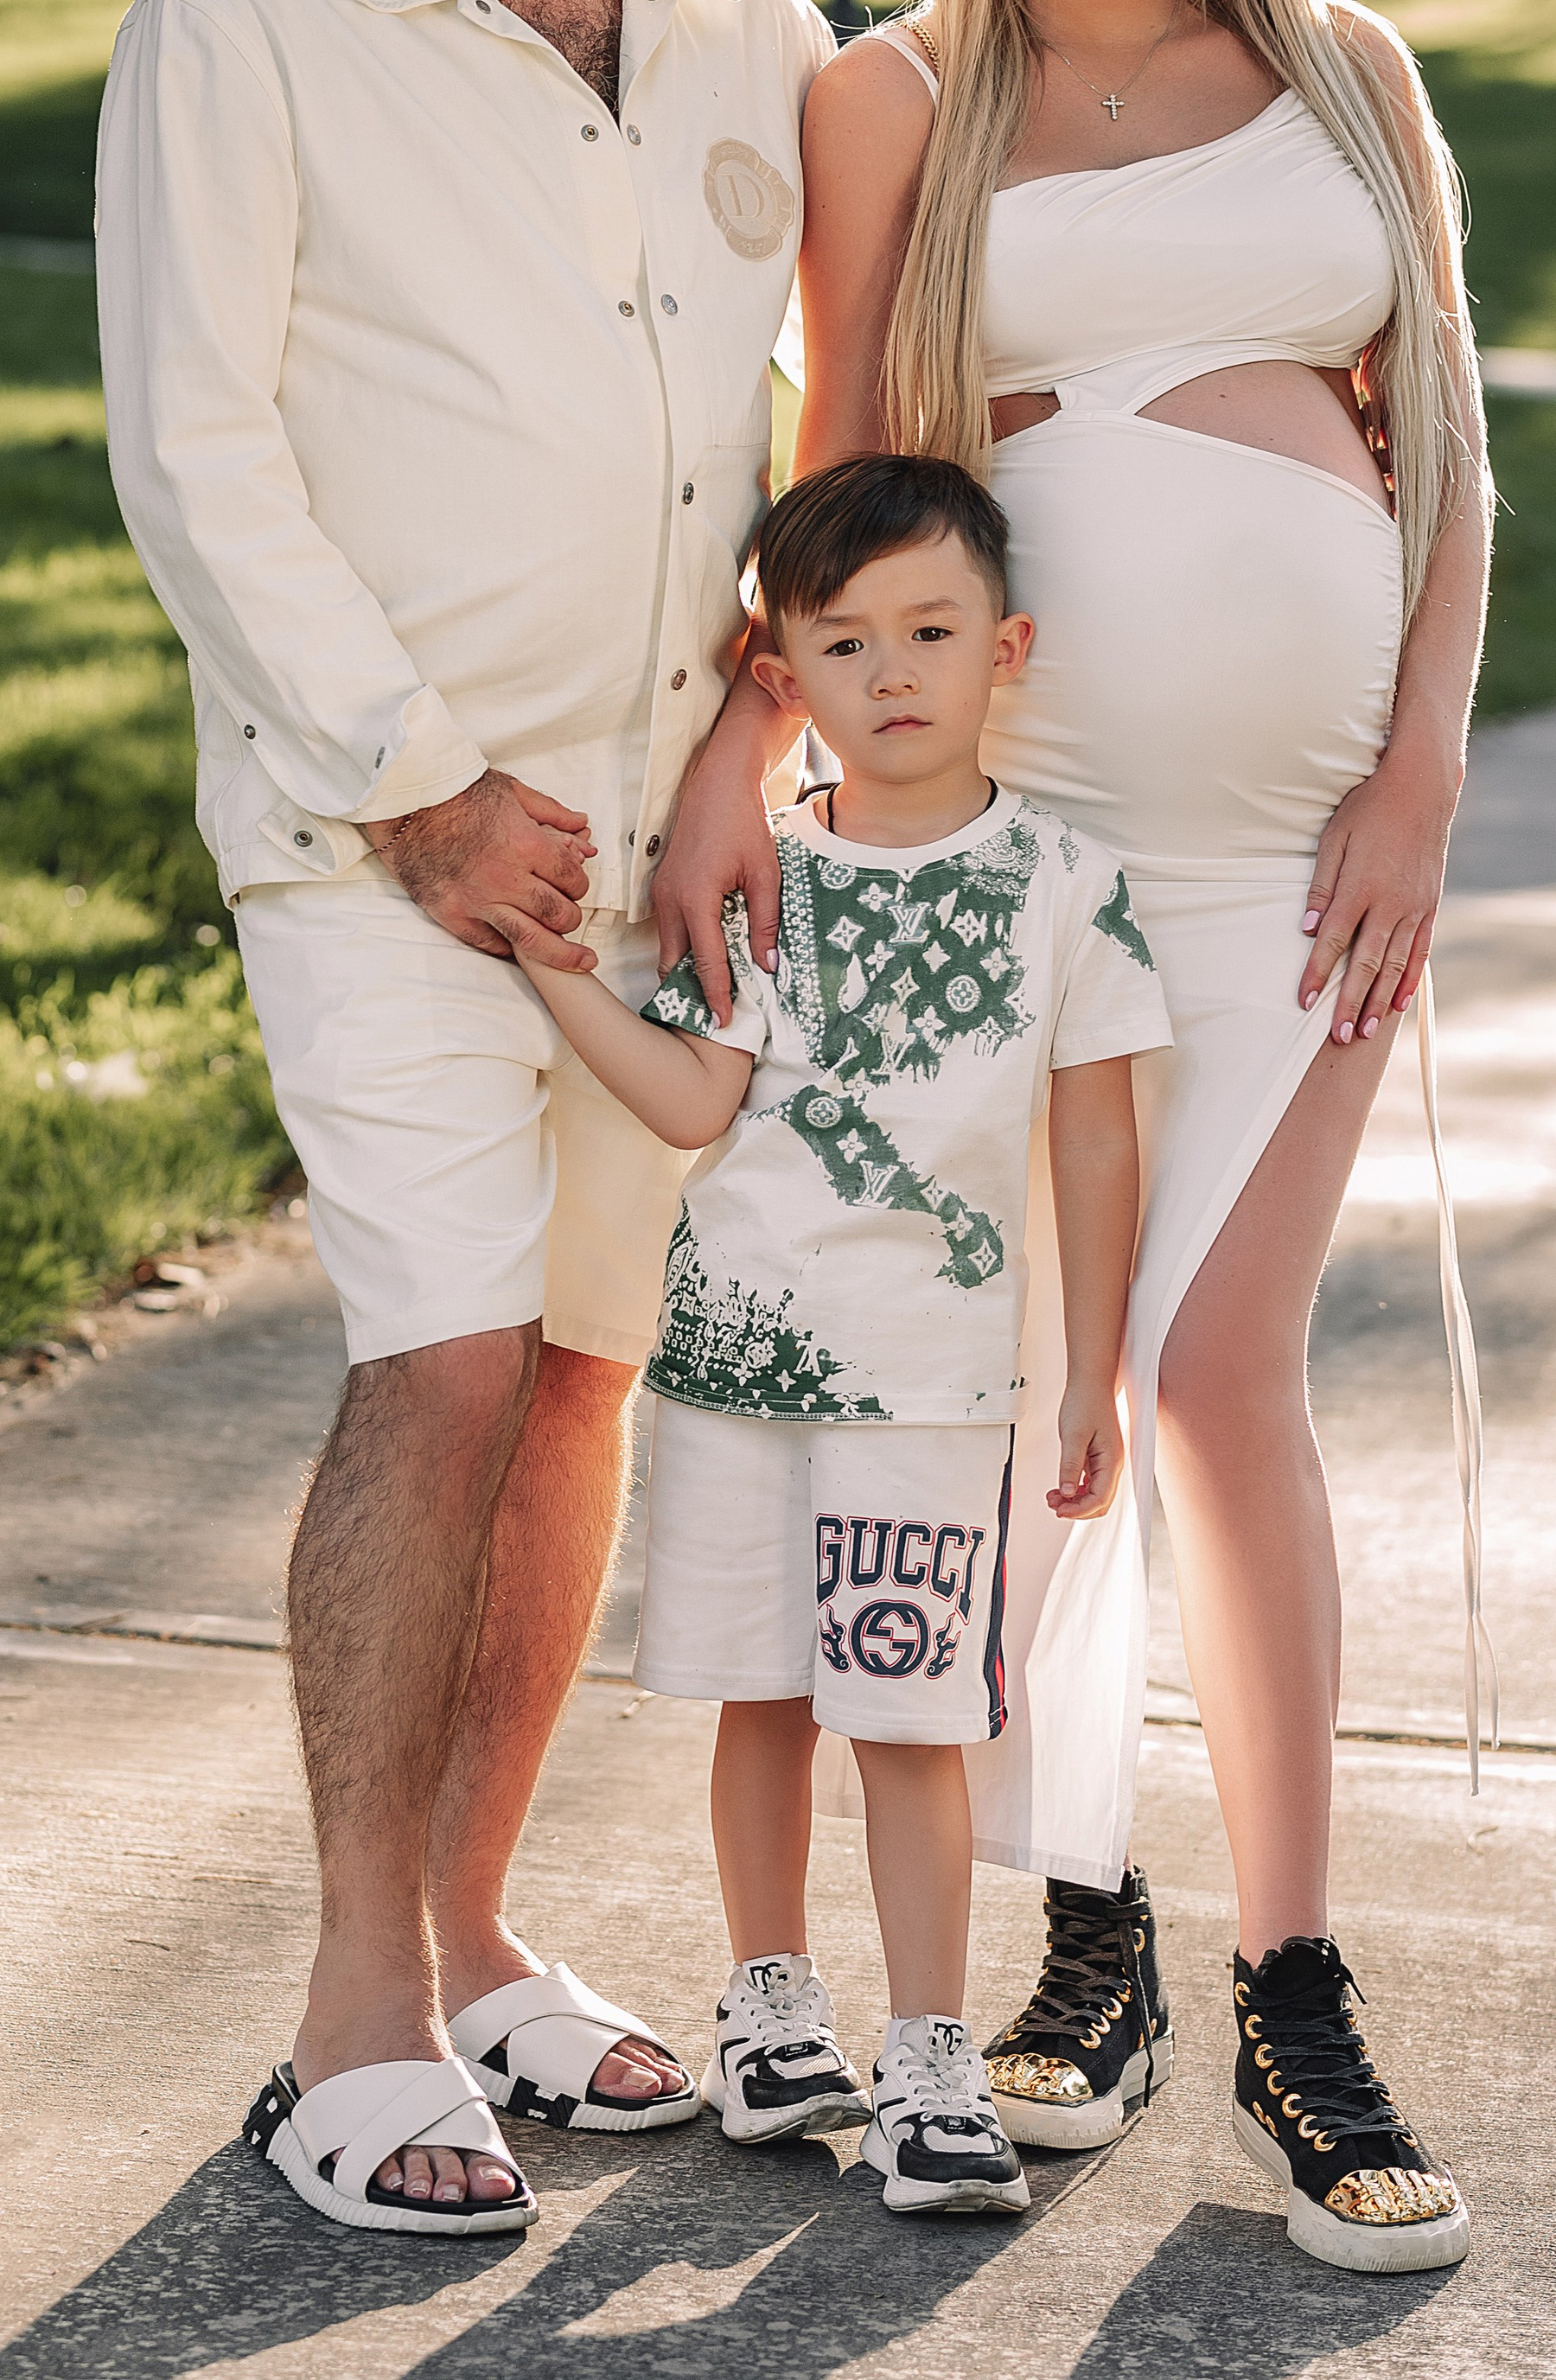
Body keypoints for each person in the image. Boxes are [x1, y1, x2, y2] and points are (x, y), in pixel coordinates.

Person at [654, 0, 1490, 2275]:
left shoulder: (1347, 67)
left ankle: (1295, 1982)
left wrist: (1420, 777)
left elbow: (1446, 463)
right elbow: (855, 491)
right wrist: (738, 769)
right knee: (1033, 1402)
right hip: (1029, 863)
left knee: (1216, 1376)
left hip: (1304, 863)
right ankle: (1094, 1942)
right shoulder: (902, 100)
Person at [95, 0, 835, 2238]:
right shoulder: (250, 13)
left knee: (579, 1381)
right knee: (439, 1358)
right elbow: (197, 448)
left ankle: (490, 1940)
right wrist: (414, 775)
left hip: (657, 857)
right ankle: (348, 2022)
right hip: (379, 833)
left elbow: (794, 423)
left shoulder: (756, 31)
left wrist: (748, 734)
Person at [517, 454, 1172, 2216]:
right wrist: (551, 969)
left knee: (906, 1717)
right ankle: (766, 2004)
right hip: (739, 1370)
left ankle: (931, 2058)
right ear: (783, 675)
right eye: (844, 638)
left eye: (930, 630)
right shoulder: (765, 877)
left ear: (1003, 645)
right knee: (762, 1699)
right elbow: (685, 1095)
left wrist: (1091, 1362)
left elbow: (1094, 1138)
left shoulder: (1059, 884)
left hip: (931, 1389)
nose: (892, 671)